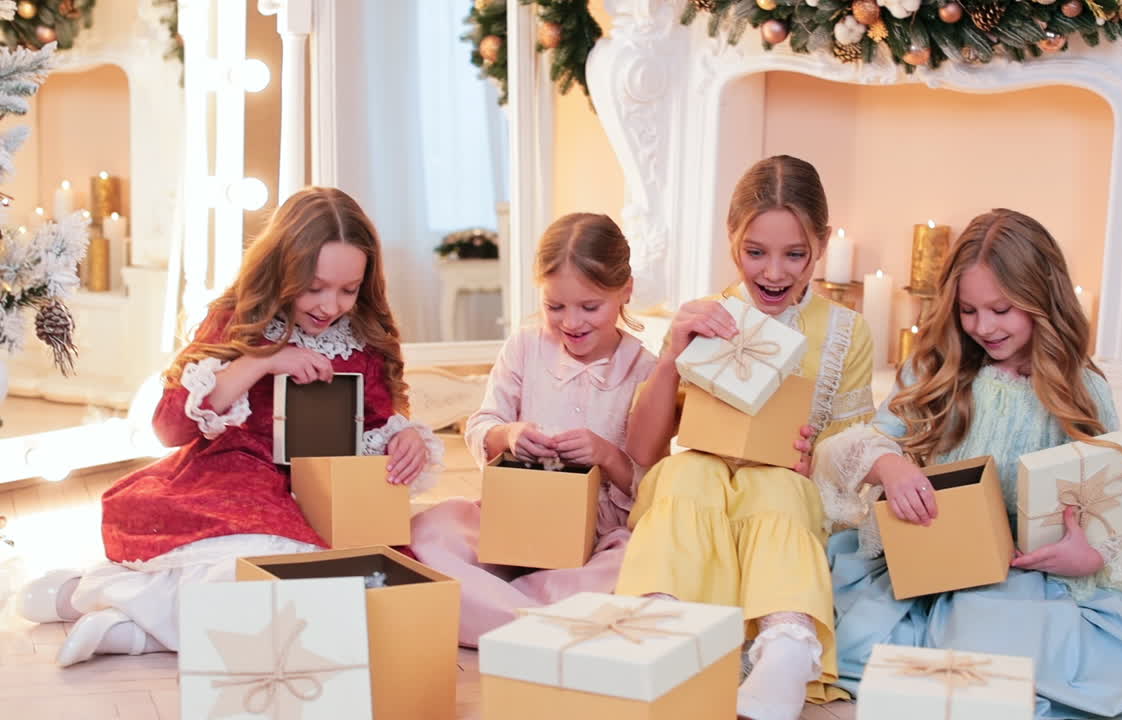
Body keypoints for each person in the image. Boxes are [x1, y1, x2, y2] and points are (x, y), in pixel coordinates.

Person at [820, 208, 1122, 719]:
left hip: (1020, 573)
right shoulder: (933, 370)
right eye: (968, 311)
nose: (983, 327)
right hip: (929, 556)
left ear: (1043, 300)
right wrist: (891, 467)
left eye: (1002, 309)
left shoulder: (1081, 389)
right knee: (851, 636)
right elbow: (851, 445)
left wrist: (1087, 555)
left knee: (1005, 654)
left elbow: (1106, 510)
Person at [18, 187, 442, 667]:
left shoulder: (362, 337)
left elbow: (379, 418)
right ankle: (99, 601)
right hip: (232, 482)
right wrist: (258, 363)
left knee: (352, 594)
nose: (331, 305)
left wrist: (406, 437)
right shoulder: (236, 320)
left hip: (326, 496)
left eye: (349, 290)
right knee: (245, 572)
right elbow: (169, 427)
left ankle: (128, 624)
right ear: (283, 268)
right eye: (315, 287)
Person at [616, 155, 877, 720]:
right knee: (686, 473)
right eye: (755, 252)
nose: (775, 273)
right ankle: (661, 625)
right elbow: (643, 451)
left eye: (795, 254)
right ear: (731, 238)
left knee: (776, 488)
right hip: (703, 477)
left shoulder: (847, 332)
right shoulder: (707, 316)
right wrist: (670, 357)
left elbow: (851, 448)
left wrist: (813, 455)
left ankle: (786, 644)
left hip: (787, 484)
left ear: (822, 245)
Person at [407, 212, 657, 646]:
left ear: (625, 290)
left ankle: (506, 614)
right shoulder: (523, 347)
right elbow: (483, 424)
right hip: (512, 518)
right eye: (554, 306)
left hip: (595, 540)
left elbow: (652, 484)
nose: (571, 323)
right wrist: (511, 434)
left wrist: (606, 455)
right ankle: (552, 624)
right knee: (431, 531)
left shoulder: (645, 370)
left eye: (589, 307)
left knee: (640, 563)